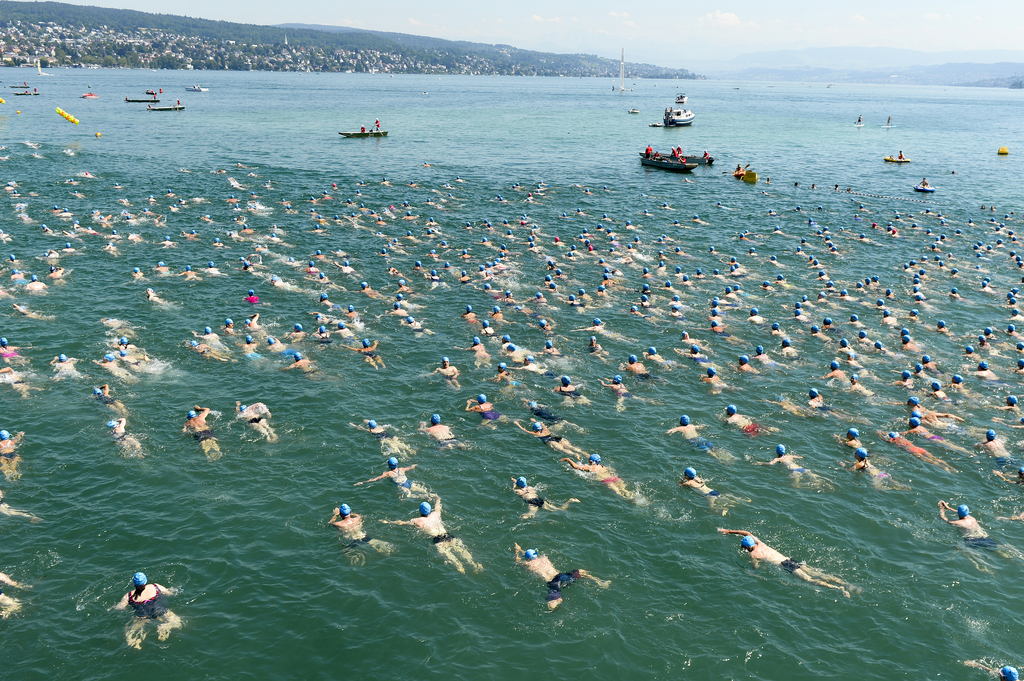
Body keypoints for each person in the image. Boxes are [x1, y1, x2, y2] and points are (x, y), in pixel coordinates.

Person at [718, 529, 856, 597]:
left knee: (810, 580)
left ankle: (839, 589)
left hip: (785, 566)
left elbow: (756, 567)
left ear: (746, 547)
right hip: (790, 559)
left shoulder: (753, 554)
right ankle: (846, 584)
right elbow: (746, 532)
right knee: (819, 573)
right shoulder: (760, 543)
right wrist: (729, 531)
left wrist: (747, 570)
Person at [380, 498, 482, 573]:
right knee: (461, 550)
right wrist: (437, 499)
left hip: (438, 540)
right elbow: (438, 506)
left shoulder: (417, 521)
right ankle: (474, 564)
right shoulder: (436, 514)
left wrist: (388, 522)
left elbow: (401, 523)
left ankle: (460, 567)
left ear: (420, 511)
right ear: (429, 511)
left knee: (449, 555)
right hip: (448, 535)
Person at [513, 543, 609, 610]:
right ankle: (599, 581)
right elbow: (531, 555)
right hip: (561, 576)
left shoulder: (528, 564)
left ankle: (558, 600)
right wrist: (522, 549)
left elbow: (517, 561)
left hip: (553, 582)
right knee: (581, 572)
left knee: (551, 604)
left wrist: (517, 551)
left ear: (527, 558)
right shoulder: (544, 558)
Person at [112, 572, 182, 649]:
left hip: (142, 616)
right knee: (178, 622)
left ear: (134, 584)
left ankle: (136, 643)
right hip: (160, 611)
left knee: (131, 634)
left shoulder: (129, 596)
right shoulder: (155, 586)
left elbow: (119, 608)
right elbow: (169, 593)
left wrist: (113, 607)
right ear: (145, 581)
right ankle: (165, 626)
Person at [329, 504, 395, 563]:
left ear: (341, 514)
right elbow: (358, 515)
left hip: (352, 541)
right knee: (384, 548)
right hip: (364, 537)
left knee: (343, 553)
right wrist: (350, 514)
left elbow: (329, 523)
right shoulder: (358, 518)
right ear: (351, 511)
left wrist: (336, 515)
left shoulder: (338, 524)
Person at [562, 453, 632, 500]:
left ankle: (626, 498)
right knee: (624, 490)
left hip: (607, 480)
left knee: (618, 492)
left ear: (591, 461)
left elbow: (575, 466)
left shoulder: (591, 467)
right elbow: (612, 469)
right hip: (614, 477)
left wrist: (568, 459)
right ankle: (630, 496)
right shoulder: (602, 466)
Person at [357, 458, 429, 499]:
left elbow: (376, 479)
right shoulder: (402, 469)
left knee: (410, 496)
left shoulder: (388, 473)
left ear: (389, 465)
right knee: (422, 490)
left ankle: (425, 496)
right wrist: (415, 464)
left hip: (402, 486)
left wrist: (363, 482)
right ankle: (430, 495)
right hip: (408, 482)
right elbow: (410, 467)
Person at [511, 476, 579, 519]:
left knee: (531, 513)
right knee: (558, 509)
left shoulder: (519, 491)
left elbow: (514, 490)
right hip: (539, 499)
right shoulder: (530, 488)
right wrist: (516, 482)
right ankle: (570, 501)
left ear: (518, 485)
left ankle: (524, 517)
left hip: (532, 502)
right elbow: (523, 486)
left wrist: (514, 486)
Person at [515, 420, 591, 459]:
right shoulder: (545, 429)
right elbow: (541, 423)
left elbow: (525, 430)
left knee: (562, 449)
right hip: (557, 438)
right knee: (570, 446)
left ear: (534, 429)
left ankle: (574, 454)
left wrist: (518, 424)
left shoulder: (537, 434)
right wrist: (535, 421)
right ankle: (584, 453)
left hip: (551, 441)